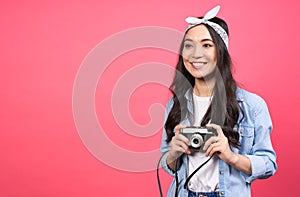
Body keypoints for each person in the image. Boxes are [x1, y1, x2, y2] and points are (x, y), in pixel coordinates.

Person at [159, 5, 277, 197]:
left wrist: (231, 157)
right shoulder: (175, 105)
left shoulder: (252, 106)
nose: (196, 54)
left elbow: (269, 164)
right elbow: (168, 165)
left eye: (206, 45)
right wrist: (173, 153)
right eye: (189, 45)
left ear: (220, 52)